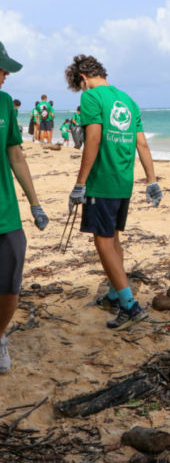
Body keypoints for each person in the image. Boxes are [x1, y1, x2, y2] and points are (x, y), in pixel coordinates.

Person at [64, 54, 163, 330]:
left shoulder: (91, 98)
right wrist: (152, 181)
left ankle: (130, 306)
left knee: (103, 242)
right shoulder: (128, 101)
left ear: (83, 78)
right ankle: (112, 295)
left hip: (102, 181)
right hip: (123, 182)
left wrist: (80, 183)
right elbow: (142, 144)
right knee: (114, 239)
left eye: (79, 85)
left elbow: (93, 138)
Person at [0, 41, 49, 374]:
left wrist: (34, 203)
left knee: (11, 275)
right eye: (1, 68)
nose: (4, 76)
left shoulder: (4, 103)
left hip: (5, 209)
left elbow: (15, 154)